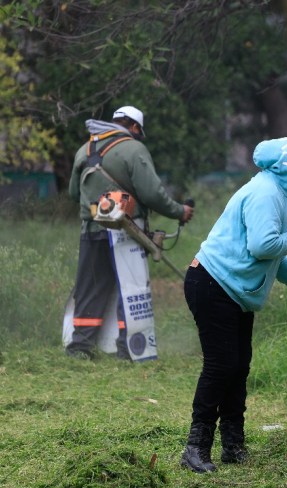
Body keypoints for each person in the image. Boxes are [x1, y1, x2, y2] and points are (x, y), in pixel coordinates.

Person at [180, 137, 287, 473]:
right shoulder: (265, 194)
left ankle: (233, 446)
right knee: (221, 365)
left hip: (233, 290)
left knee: (238, 365)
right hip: (213, 283)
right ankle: (195, 449)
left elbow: (271, 260)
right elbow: (264, 246)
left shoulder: (277, 193)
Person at [66, 105, 194, 360]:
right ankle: (129, 349)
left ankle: (80, 348)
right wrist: (180, 212)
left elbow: (73, 194)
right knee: (131, 288)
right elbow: (152, 194)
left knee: (90, 288)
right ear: (134, 127)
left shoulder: (86, 149)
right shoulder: (134, 148)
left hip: (90, 229)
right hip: (126, 231)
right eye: (138, 132)